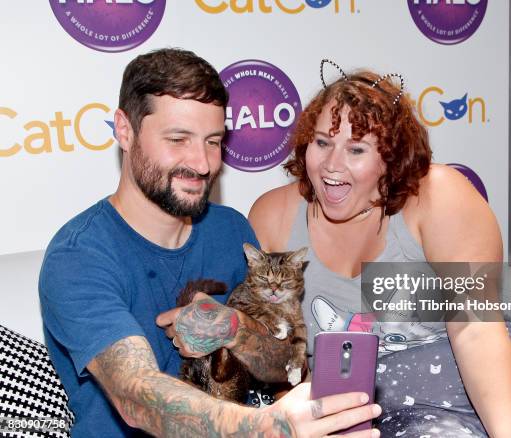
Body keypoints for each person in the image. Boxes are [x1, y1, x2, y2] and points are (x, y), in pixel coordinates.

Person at [248, 66, 511, 437]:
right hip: (392, 412)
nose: (330, 165)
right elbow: (269, 357)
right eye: (322, 142)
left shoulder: (439, 196)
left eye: (356, 149)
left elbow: (476, 332)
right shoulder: (274, 218)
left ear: (391, 158)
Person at [39, 48, 381, 437]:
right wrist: (267, 428)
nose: (202, 163)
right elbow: (136, 394)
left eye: (213, 141)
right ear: (124, 130)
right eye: (178, 138)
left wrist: (238, 329)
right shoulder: (79, 255)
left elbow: (284, 365)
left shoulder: (230, 229)